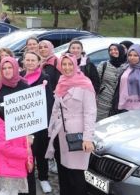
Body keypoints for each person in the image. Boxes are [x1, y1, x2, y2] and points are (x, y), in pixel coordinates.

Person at [45, 53, 96, 195]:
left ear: (75, 65)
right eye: (64, 64)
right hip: (60, 135)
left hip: (77, 136)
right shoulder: (62, 82)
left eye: (70, 64)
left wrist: (87, 138)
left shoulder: (85, 84)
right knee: (64, 172)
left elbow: (90, 113)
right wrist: (51, 131)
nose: (67, 68)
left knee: (76, 174)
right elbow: (56, 110)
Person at [0, 57, 32, 195]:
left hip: (22, 137)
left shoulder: (24, 86)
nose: (7, 71)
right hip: (4, 136)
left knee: (25, 170)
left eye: (10, 67)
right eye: (4, 68)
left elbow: (32, 113)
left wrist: (30, 136)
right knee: (6, 172)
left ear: (16, 68)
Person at [21, 51, 55, 195]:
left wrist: (46, 123)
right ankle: (25, 179)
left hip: (40, 123)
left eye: (32, 60)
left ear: (38, 62)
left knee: (40, 152)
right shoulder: (19, 77)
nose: (29, 62)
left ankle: (43, 178)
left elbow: (49, 102)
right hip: (22, 123)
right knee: (25, 152)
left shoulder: (44, 78)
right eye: (27, 60)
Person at [110, 44, 140, 115]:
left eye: (135, 55)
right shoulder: (124, 68)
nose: (132, 58)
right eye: (130, 55)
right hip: (123, 108)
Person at [96, 43, 126, 120]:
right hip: (102, 102)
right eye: (111, 50)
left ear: (121, 51)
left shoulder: (126, 67)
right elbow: (95, 82)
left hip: (119, 104)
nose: (113, 51)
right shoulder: (103, 65)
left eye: (115, 49)